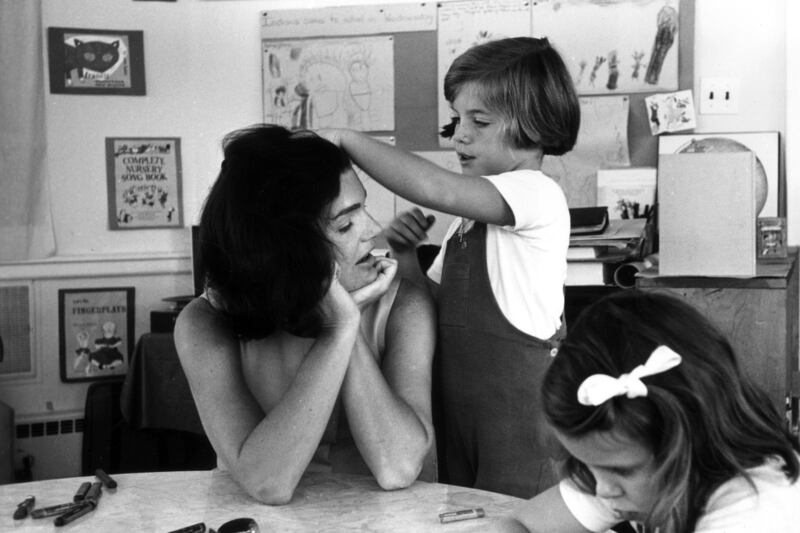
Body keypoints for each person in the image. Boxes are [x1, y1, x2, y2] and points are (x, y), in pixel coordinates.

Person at [320, 36, 580, 498]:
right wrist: (404, 257)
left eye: (478, 121)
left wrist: (344, 139)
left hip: (518, 422)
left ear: (535, 127)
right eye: (456, 119)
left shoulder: (536, 194)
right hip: (463, 415)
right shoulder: (472, 217)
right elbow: (437, 305)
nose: (459, 135)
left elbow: (432, 187)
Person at [173, 125, 436, 505]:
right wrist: (339, 329)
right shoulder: (204, 323)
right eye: (345, 223)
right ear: (287, 247)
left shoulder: (405, 307)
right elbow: (267, 482)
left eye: (363, 208)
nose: (374, 231)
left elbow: (398, 467)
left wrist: (349, 322)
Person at [504, 290, 800, 533]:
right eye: (590, 465)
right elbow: (518, 525)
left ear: (688, 439)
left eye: (621, 470)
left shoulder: (755, 509)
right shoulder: (633, 472)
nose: (603, 490)